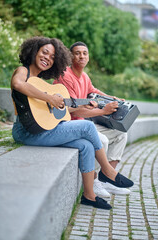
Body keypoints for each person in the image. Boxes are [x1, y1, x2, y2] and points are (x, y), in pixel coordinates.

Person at [11, 36, 133, 210]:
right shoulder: (23, 71)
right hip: (27, 132)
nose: (48, 58)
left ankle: (89, 195)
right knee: (87, 126)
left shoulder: (40, 81)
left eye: (53, 57)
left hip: (40, 128)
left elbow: (48, 110)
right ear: (33, 51)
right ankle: (108, 171)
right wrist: (49, 98)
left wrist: (58, 102)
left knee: (86, 145)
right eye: (44, 52)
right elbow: (17, 83)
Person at [53, 41, 130, 197]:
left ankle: (107, 180)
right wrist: (103, 110)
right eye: (77, 53)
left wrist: (111, 98)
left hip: (82, 124)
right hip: (68, 125)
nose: (81, 56)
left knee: (121, 134)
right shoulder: (65, 76)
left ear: (88, 57)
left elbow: (93, 91)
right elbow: (75, 108)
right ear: (70, 56)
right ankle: (94, 183)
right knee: (102, 140)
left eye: (85, 53)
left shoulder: (84, 76)